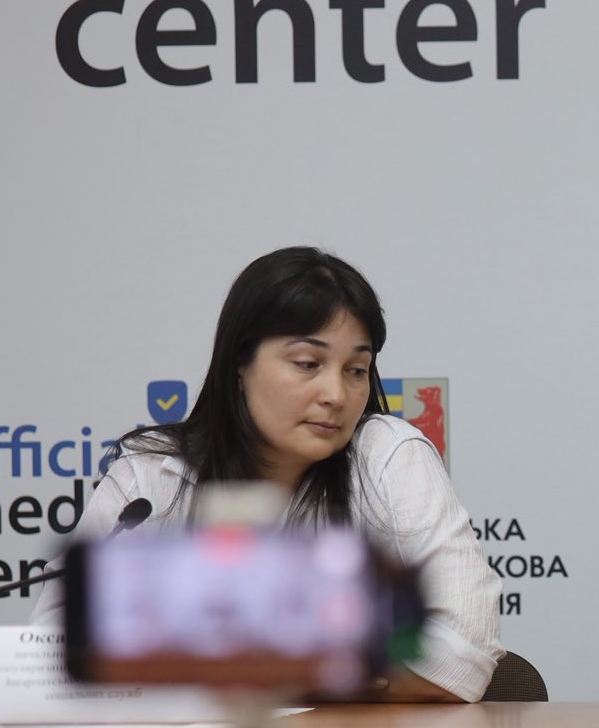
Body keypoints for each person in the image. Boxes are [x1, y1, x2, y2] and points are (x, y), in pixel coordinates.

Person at [36, 247, 502, 701]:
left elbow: (463, 653)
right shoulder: (149, 476)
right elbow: (52, 648)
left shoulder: (387, 454)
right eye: (308, 364)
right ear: (240, 363)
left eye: (357, 370)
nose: (336, 394)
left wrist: (286, 674)